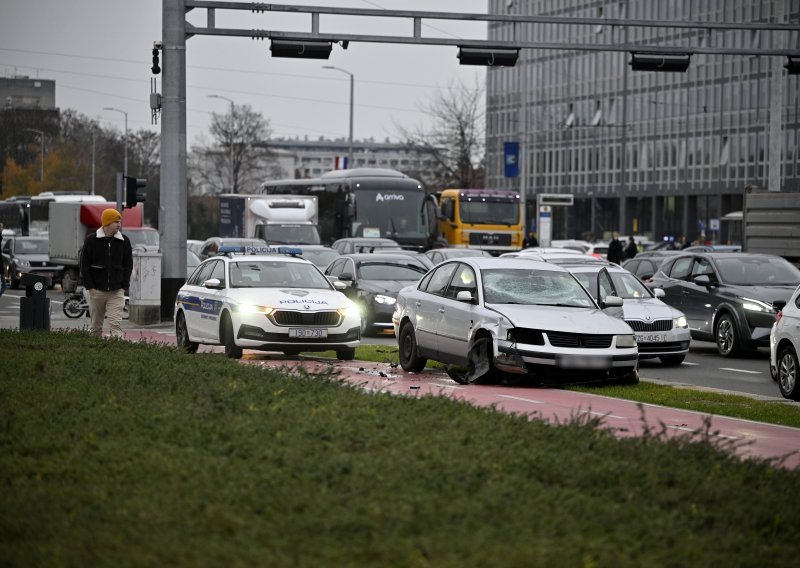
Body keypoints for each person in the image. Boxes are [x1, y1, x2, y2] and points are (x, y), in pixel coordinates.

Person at [80, 208, 133, 338]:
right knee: (96, 326)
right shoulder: (91, 240)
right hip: (96, 291)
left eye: (119, 222)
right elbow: (84, 265)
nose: (119, 225)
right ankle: (95, 353)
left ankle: (116, 354)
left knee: (116, 325)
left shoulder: (124, 241)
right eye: (116, 222)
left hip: (116, 291)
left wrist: (124, 285)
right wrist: (90, 287)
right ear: (107, 223)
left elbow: (128, 264)